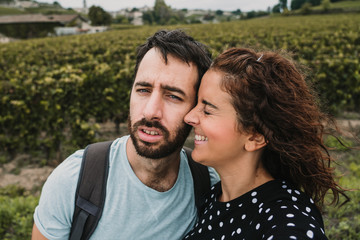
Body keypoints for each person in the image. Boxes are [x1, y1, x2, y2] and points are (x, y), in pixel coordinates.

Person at [32, 29, 219, 240]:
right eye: (143, 90)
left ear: (195, 110)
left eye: (173, 96)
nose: (150, 111)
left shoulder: (208, 186)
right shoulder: (73, 181)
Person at [183, 48, 348, 239]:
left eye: (208, 110)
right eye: (197, 104)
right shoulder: (214, 197)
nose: (189, 117)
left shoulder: (288, 224)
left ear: (255, 137)